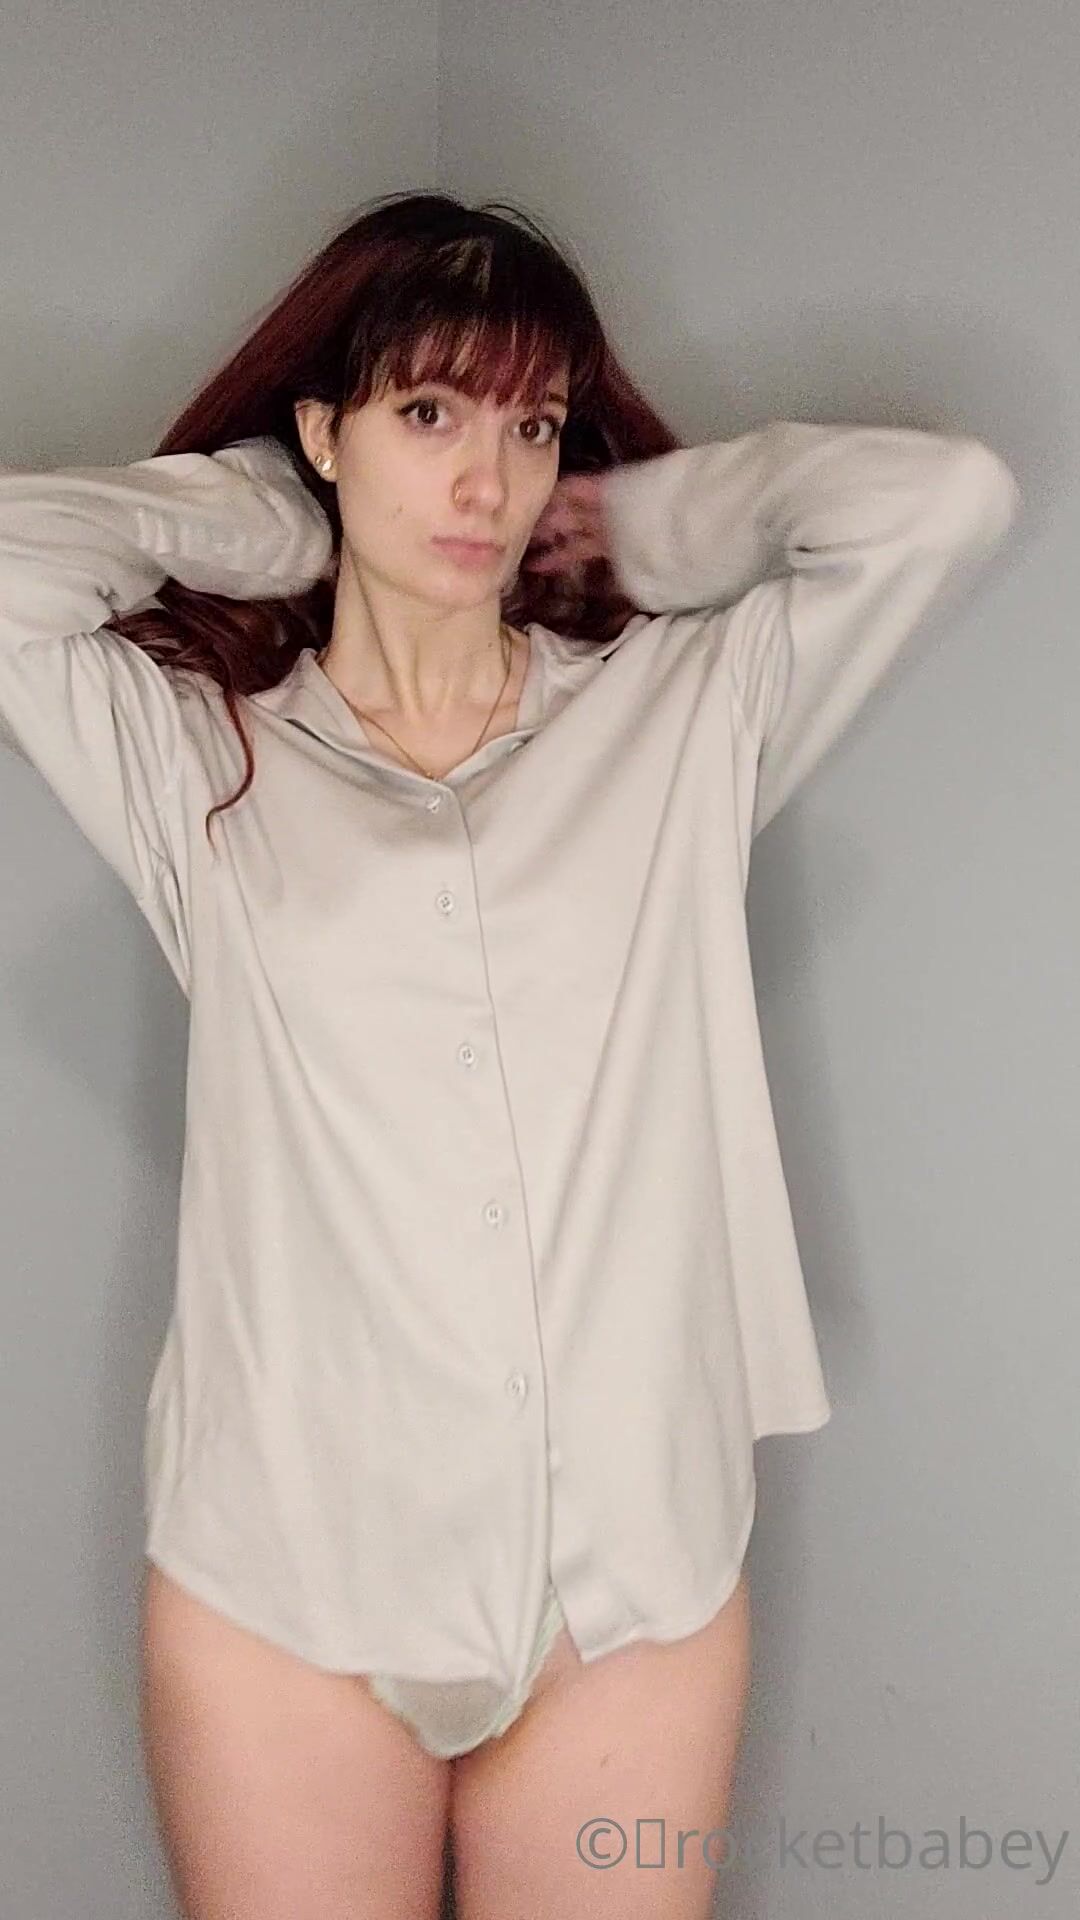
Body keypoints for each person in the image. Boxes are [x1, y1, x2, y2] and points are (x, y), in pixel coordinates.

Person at [0, 190, 1020, 1920]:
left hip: (626, 1595)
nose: (486, 478)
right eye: (427, 413)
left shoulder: (678, 717)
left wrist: (634, 527)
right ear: (327, 429)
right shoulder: (197, 762)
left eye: (531, 425)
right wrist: (252, 515)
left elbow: (949, 504)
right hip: (288, 1590)